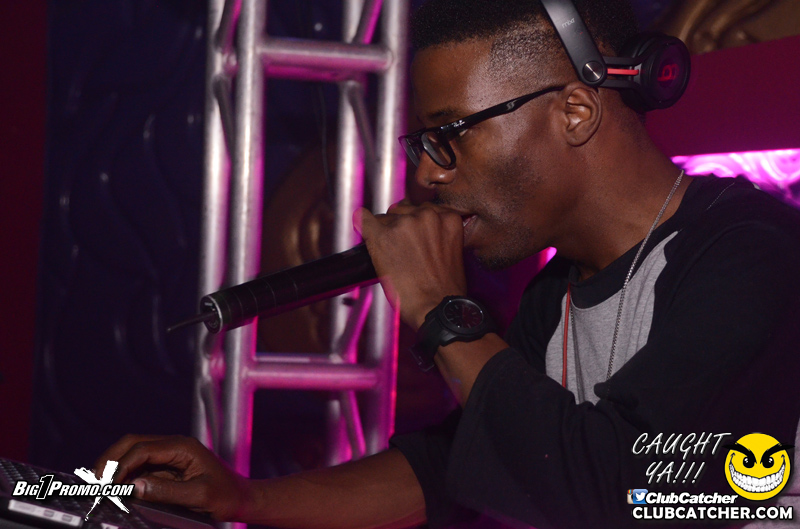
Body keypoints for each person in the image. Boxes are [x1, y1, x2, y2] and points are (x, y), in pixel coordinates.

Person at [96, 0, 800, 527]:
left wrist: (442, 310)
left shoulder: (751, 256)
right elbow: (448, 469)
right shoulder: (556, 292)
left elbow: (623, 491)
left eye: (450, 134)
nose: (429, 175)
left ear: (576, 113)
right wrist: (244, 498)